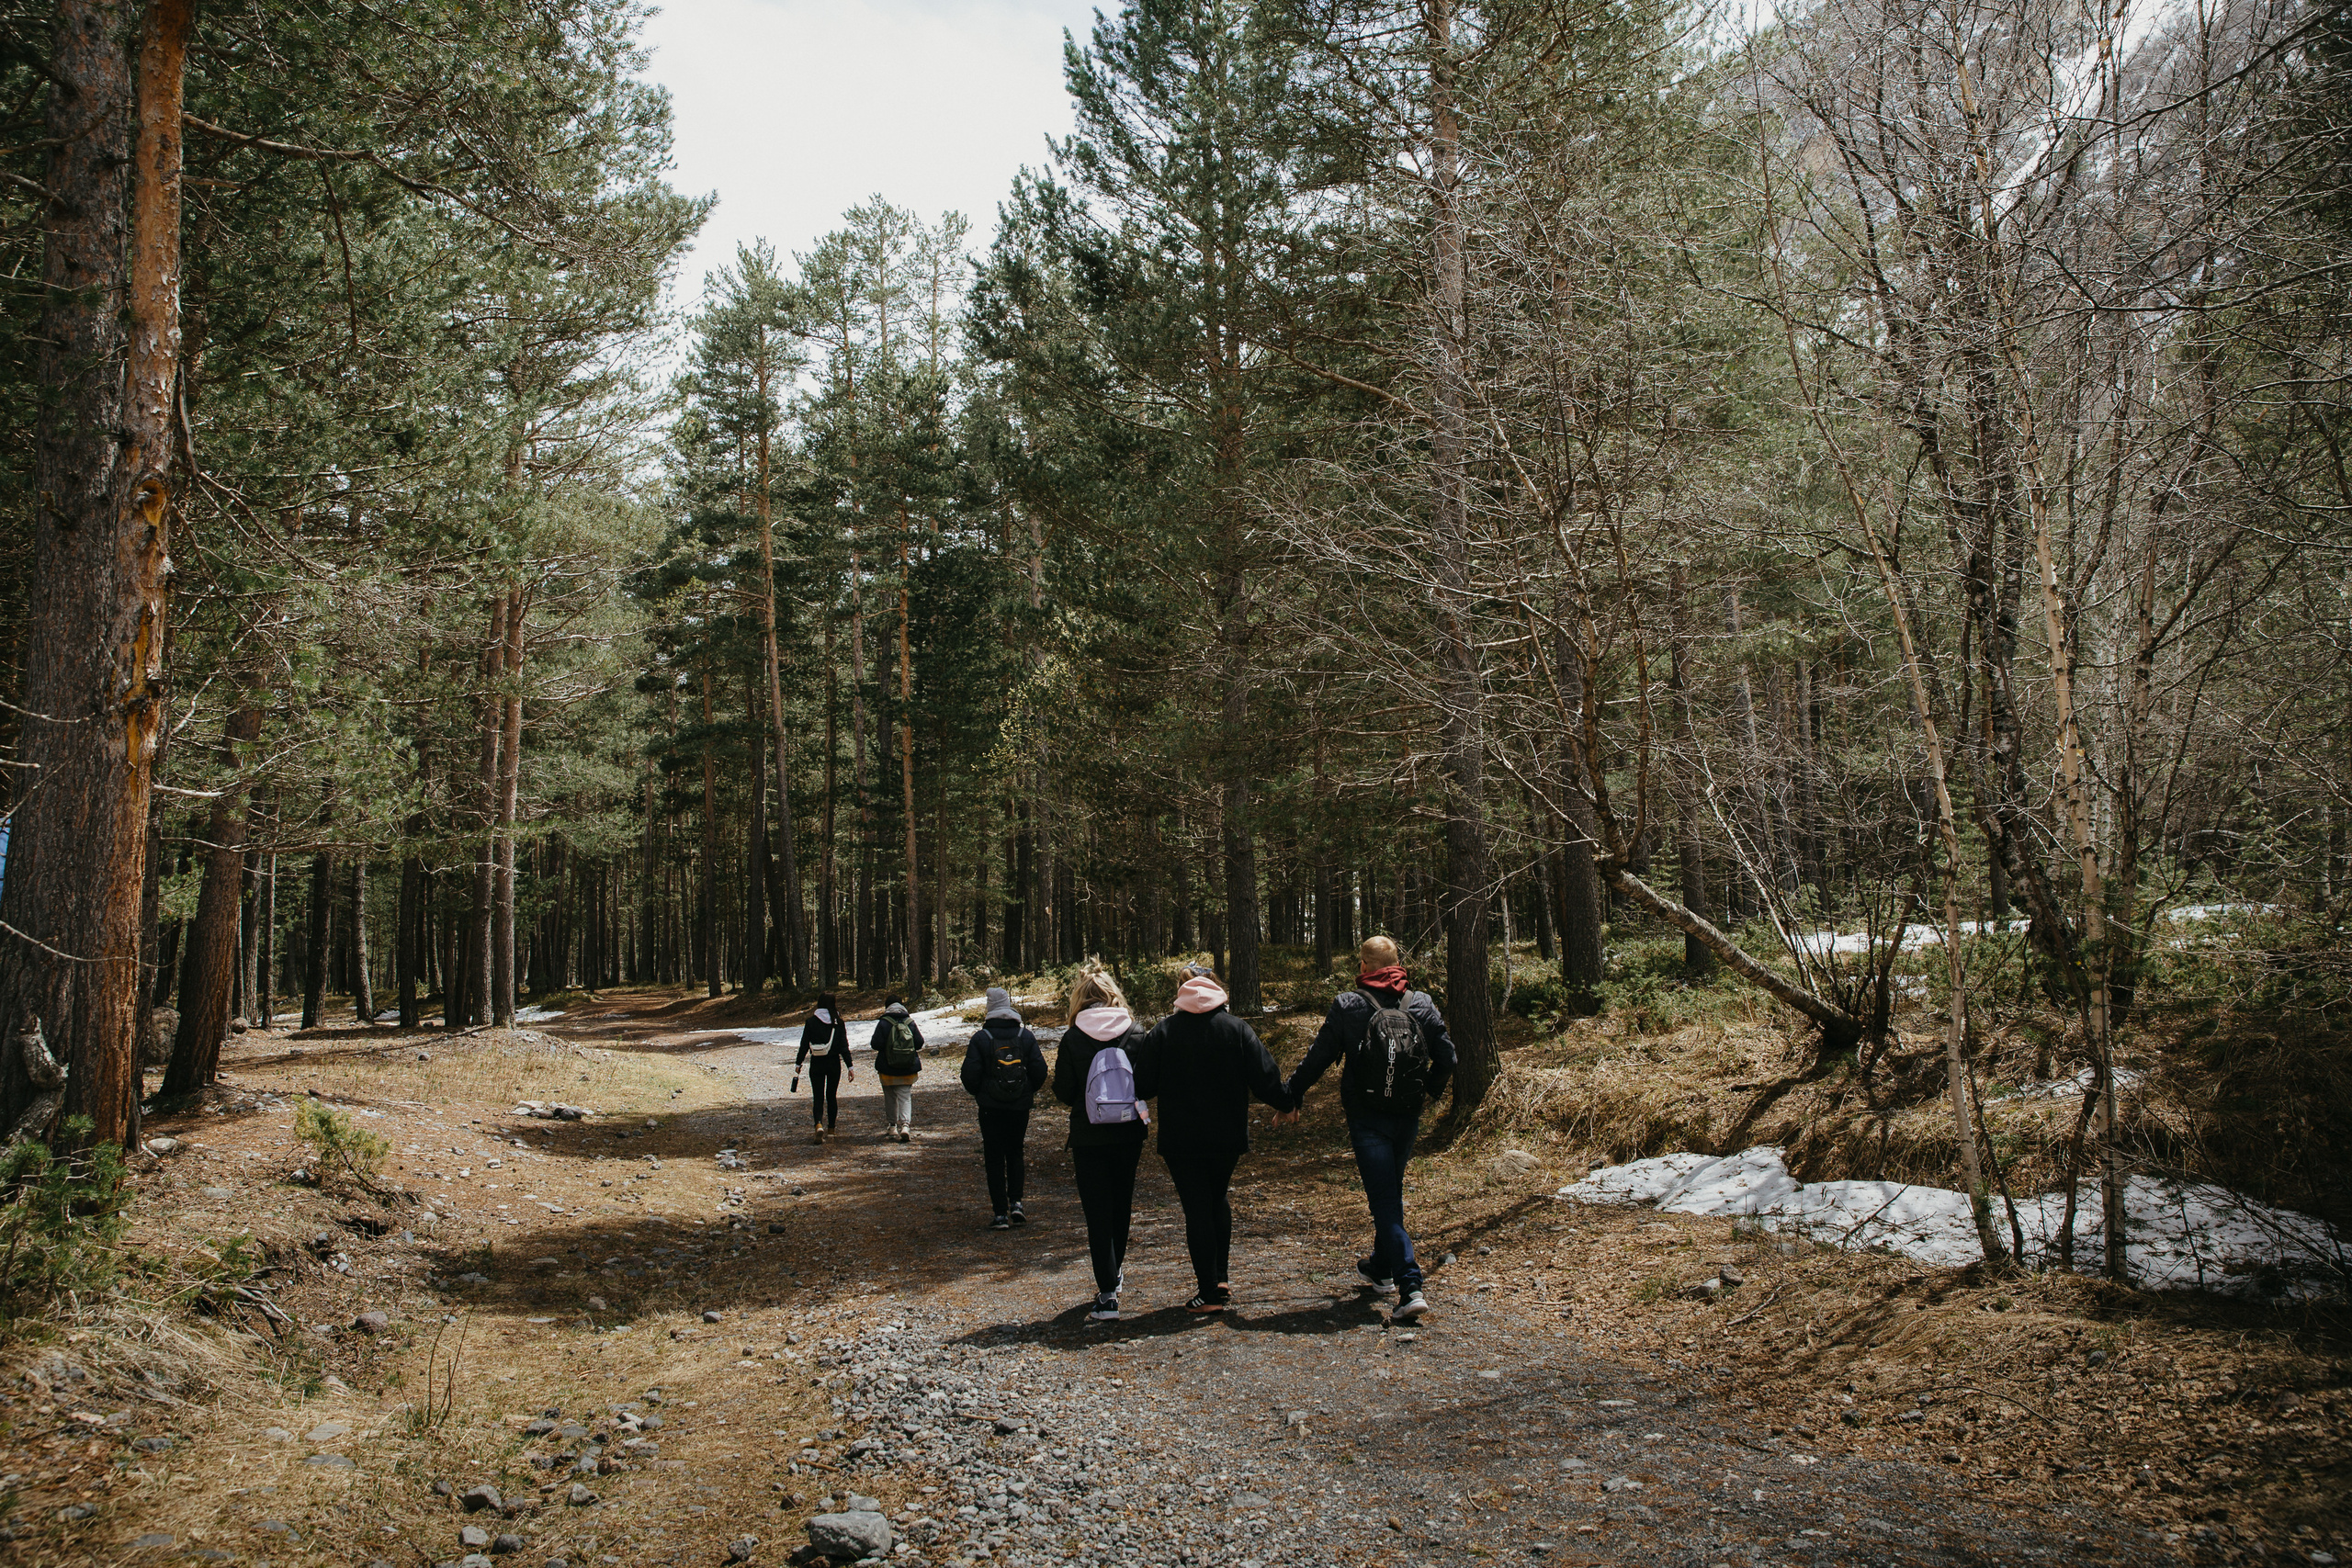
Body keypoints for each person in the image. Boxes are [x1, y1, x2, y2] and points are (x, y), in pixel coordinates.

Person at [1280, 935, 1457, 1323]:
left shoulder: (1349, 1005)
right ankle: (1380, 1267)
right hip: (1407, 1115)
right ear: (1398, 964)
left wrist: (1289, 1096)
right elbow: (1448, 1057)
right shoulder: (1421, 1003)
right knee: (1389, 1191)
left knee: (1384, 1200)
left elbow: (1318, 1057)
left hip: (1367, 1118)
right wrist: (1429, 1091)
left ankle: (1410, 1285)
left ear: (1363, 966)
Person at [1132, 962, 1293, 1312]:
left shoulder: (1163, 1032)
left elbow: (1142, 1086)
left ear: (1181, 993)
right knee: (1216, 1197)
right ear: (1218, 988)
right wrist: (1288, 1103)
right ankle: (1220, 1278)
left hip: (1181, 1139)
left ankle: (1207, 1292)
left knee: (1197, 1207)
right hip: (1227, 1136)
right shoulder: (1237, 1030)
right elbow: (1265, 1077)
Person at [1050, 968, 1149, 1321]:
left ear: (1080, 998)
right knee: (1121, 1204)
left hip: (1088, 1137)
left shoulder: (1073, 1038)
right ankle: (1115, 1271)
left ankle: (1107, 1295)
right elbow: (1149, 1083)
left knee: (1097, 1212)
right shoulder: (1136, 1033)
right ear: (1114, 995)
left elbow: (1062, 1090)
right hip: (1128, 1134)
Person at [959, 987, 1047, 1230]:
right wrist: (1026, 1091)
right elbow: (1040, 1071)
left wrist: (983, 1094)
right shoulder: (1025, 1037)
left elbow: (969, 1076)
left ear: (989, 1008)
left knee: (994, 1157)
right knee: (1015, 1152)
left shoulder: (980, 1038)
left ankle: (1000, 1214)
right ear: (1008, 1005)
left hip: (991, 1108)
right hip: (1019, 1107)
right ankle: (1016, 1203)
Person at [793, 992, 855, 1145]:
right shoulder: (838, 1023)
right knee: (831, 1096)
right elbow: (844, 1047)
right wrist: (850, 1066)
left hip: (817, 1063)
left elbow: (804, 1045)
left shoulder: (811, 1022)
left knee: (818, 1096)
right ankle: (832, 1130)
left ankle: (818, 1124)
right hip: (834, 1063)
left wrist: (798, 1063)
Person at [871, 995, 924, 1142]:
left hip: (887, 1068)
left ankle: (893, 1126)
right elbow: (919, 1043)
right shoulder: (910, 1022)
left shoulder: (884, 1022)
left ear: (887, 1006)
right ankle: (905, 1126)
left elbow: (875, 1044)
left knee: (890, 1097)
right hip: (907, 1067)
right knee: (905, 1097)